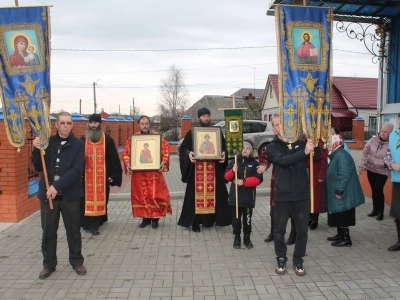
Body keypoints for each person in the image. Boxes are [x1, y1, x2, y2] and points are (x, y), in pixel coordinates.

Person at [31, 111, 86, 279]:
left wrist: (57, 186)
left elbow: (76, 171)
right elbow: (38, 167)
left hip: (69, 196)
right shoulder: (48, 143)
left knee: (73, 231)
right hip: (49, 196)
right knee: (48, 231)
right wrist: (35, 149)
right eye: (62, 123)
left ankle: (76, 261)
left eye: (69, 123)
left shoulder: (78, 144)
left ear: (72, 125)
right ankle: (49, 264)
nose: (66, 126)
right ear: (56, 124)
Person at [266, 115, 314, 276]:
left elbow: (318, 157)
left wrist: (315, 141)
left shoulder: (300, 143)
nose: (280, 127)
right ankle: (281, 258)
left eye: (282, 123)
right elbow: (283, 161)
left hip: (302, 194)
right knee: (279, 231)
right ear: (274, 129)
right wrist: (304, 152)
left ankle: (298, 260)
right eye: (277, 125)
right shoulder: (272, 147)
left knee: (302, 231)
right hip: (283, 195)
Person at [178, 107, 231, 232]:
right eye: (203, 116)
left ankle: (211, 220)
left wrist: (224, 154)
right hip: (197, 170)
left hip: (214, 170)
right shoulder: (192, 132)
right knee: (195, 196)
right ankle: (195, 222)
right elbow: (183, 149)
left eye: (208, 116)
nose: (206, 118)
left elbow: (222, 148)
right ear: (199, 118)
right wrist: (188, 154)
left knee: (215, 194)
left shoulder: (216, 132)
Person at [123, 115, 172, 229]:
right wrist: (128, 164)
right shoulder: (133, 139)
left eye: (146, 123)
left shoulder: (157, 138)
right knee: (141, 196)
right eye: (142, 124)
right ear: (139, 125)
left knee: (155, 195)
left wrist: (163, 162)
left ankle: (155, 219)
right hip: (139, 174)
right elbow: (126, 154)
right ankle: (145, 218)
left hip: (154, 173)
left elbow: (166, 149)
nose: (144, 126)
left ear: (149, 124)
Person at [80, 113, 122, 235]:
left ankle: (97, 223)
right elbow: (77, 159)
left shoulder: (107, 140)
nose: (93, 125)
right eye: (91, 123)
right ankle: (87, 223)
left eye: (96, 123)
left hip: (101, 178)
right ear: (88, 124)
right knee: (85, 201)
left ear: (100, 124)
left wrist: (113, 176)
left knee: (101, 200)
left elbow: (113, 159)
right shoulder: (83, 139)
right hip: (86, 179)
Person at [325, 134, 365, 247]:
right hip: (339, 189)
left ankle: (346, 238)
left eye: (329, 142)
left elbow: (344, 175)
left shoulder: (342, 156)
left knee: (344, 214)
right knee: (338, 212)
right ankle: (340, 234)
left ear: (336, 143)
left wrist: (339, 190)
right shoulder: (336, 154)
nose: (327, 144)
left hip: (344, 191)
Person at [224, 137, 263, 249]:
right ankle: (237, 237)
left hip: (248, 198)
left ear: (251, 150)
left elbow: (258, 179)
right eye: (243, 148)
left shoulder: (255, 164)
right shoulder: (234, 161)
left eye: (247, 148)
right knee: (236, 220)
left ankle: (247, 237)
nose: (245, 150)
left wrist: (244, 182)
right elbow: (226, 177)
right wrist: (233, 171)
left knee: (247, 219)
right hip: (235, 197)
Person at [359, 123, 393, 221]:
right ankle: (375, 209)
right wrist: (361, 165)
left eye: (386, 132)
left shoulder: (391, 143)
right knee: (374, 189)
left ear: (390, 133)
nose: (383, 133)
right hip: (370, 169)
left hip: (382, 171)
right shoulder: (372, 140)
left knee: (378, 189)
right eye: (382, 131)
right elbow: (365, 153)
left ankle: (381, 212)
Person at [384, 114, 400, 251]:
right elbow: (387, 155)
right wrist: (392, 164)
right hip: (397, 178)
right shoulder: (393, 135)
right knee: (398, 213)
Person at [307, 138, 328, 230]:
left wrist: (321, 175)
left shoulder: (322, 143)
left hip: (317, 174)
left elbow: (324, 161)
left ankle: (315, 219)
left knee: (316, 199)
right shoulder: (306, 141)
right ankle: (309, 217)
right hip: (307, 174)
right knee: (308, 197)